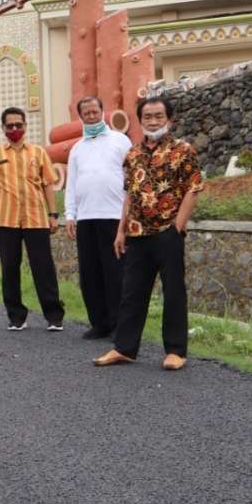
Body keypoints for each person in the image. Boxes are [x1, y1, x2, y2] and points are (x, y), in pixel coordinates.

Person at [94, 95, 204, 371]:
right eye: (147, 117)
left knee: (174, 291)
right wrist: (121, 231)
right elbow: (129, 195)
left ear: (169, 119)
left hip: (168, 231)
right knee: (131, 292)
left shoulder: (183, 150)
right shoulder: (133, 154)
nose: (153, 121)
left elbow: (194, 188)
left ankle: (175, 351)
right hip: (137, 233)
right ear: (140, 120)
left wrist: (178, 225)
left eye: (158, 116)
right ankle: (125, 348)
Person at [0, 107, 65, 332]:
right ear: (3, 128)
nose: (14, 129)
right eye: (10, 126)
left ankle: (54, 315)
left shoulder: (38, 153)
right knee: (9, 268)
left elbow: (47, 185)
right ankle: (16, 316)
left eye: (18, 125)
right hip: (6, 221)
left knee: (43, 267)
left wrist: (53, 215)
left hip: (36, 219)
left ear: (25, 126)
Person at [65, 96, 132, 340]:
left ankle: (118, 324)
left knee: (115, 272)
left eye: (95, 112)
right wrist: (70, 214)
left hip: (113, 216)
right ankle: (99, 323)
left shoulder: (120, 141)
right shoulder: (77, 148)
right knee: (90, 273)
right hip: (86, 218)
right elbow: (71, 184)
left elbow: (132, 177)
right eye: (87, 113)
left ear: (103, 112)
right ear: (81, 116)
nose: (91, 116)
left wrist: (129, 213)